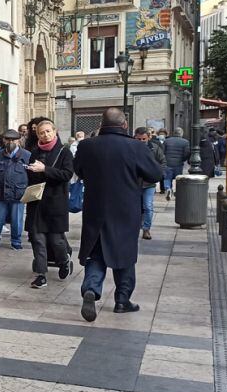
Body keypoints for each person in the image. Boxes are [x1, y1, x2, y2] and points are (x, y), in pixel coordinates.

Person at [74, 108, 164, 321]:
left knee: (96, 253)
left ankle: (91, 289)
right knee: (124, 254)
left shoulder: (87, 145)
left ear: (101, 124)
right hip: (125, 209)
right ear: (124, 125)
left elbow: (79, 170)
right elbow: (155, 173)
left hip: (95, 207)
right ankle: (122, 300)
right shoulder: (135, 146)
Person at [25, 119, 75, 289]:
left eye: (48, 131)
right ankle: (41, 275)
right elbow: (31, 177)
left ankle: (64, 261)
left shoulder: (64, 152)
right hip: (37, 203)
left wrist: (44, 169)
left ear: (55, 131)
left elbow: (67, 174)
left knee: (56, 240)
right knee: (37, 240)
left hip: (55, 202)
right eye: (41, 132)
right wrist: (31, 171)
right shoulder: (34, 152)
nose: (45, 135)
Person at [0, 130, 30, 250]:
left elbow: (32, 174)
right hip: (0, 192)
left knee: (17, 219)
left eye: (13, 140)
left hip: (18, 193)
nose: (10, 142)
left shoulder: (26, 155)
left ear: (19, 140)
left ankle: (16, 241)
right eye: (8, 139)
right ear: (4, 140)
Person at [134, 126, 165, 240]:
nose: (141, 141)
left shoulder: (154, 148)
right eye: (139, 139)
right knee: (135, 207)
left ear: (148, 138)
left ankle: (146, 229)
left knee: (148, 206)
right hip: (134, 182)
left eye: (144, 139)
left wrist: (156, 174)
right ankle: (135, 227)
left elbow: (162, 162)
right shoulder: (130, 148)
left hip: (149, 183)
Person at [162, 127, 190, 200]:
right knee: (178, 178)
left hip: (167, 162)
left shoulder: (167, 141)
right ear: (181, 133)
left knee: (167, 177)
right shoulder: (185, 142)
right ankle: (177, 191)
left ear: (174, 133)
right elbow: (186, 153)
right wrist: (183, 159)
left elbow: (163, 152)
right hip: (178, 163)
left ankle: (168, 188)